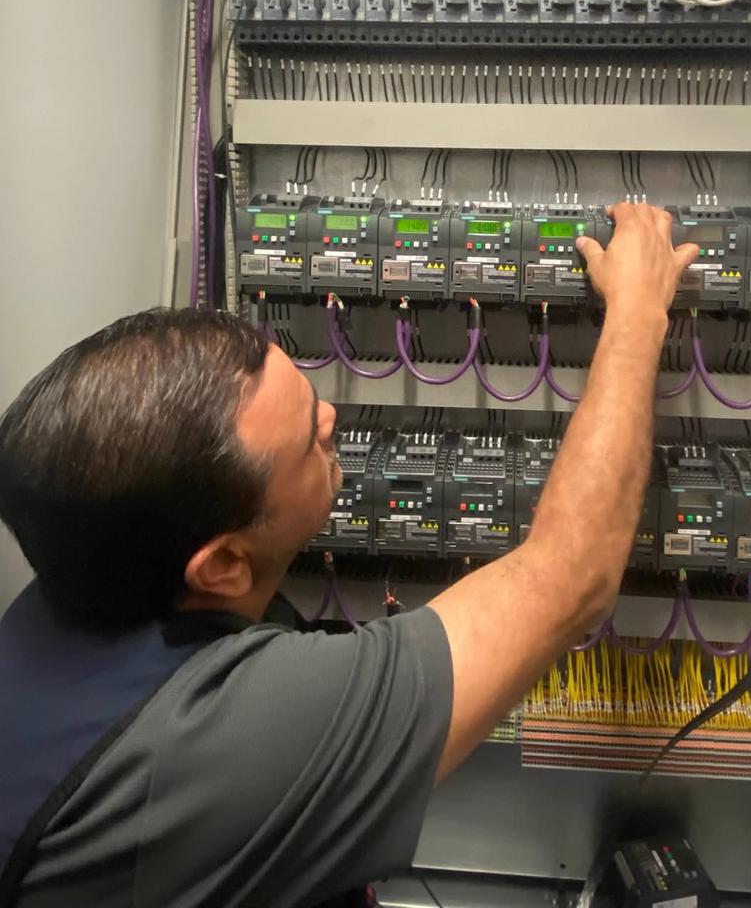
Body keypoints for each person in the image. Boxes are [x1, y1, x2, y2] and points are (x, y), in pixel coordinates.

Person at [0, 202, 697, 908]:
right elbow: (573, 576)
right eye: (310, 437)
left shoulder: (75, 578)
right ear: (222, 566)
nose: (335, 418)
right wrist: (640, 311)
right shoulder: (229, 740)